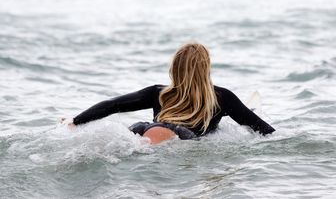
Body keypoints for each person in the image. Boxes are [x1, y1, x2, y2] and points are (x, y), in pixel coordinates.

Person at [62, 43, 275, 144]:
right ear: (206, 69)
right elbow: (265, 131)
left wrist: (77, 120)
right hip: (181, 136)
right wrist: (243, 113)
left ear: (175, 68)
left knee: (135, 146)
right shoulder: (221, 98)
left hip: (143, 129)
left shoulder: (159, 93)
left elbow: (112, 104)